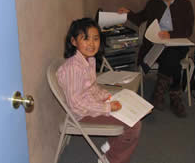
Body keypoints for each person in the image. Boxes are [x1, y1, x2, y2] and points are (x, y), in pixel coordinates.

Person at [56, 18, 141, 163]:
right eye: (86, 39)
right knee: (134, 124)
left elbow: (92, 87)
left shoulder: (89, 60)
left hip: (92, 105)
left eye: (95, 39)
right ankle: (110, 159)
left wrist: (108, 96)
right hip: (83, 114)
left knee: (130, 109)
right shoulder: (73, 68)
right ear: (74, 41)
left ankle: (112, 146)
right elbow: (77, 104)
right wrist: (107, 107)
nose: (91, 43)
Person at [118, 0, 194, 118]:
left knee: (171, 54)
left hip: (178, 44)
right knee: (173, 61)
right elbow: (140, 18)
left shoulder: (185, 5)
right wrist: (128, 13)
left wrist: (170, 35)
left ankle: (158, 94)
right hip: (156, 45)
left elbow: (188, 29)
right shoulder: (153, 4)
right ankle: (174, 97)